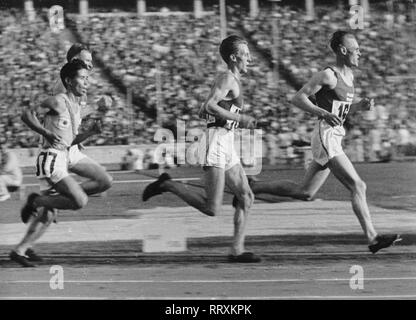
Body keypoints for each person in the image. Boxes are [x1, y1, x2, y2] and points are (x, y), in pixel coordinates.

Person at [243, 30, 400, 254]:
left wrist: (359, 106)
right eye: (356, 50)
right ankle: (373, 238)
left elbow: (340, 110)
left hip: (333, 136)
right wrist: (322, 113)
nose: (360, 53)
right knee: (358, 185)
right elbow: (298, 98)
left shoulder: (350, 78)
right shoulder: (328, 75)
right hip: (326, 135)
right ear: (343, 51)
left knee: (305, 192)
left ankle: (254, 187)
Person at [142, 35, 260, 262]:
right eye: (246, 55)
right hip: (216, 142)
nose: (250, 59)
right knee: (211, 208)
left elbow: (201, 112)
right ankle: (168, 184)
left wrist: (230, 118)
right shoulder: (227, 78)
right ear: (234, 58)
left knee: (246, 196)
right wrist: (240, 117)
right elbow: (209, 106)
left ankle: (237, 250)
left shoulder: (230, 79)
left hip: (225, 141)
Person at [10, 59, 112, 267]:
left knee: (49, 214)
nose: (86, 83)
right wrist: (44, 131)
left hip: (60, 158)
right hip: (50, 160)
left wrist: (91, 132)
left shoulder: (74, 107)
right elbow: (26, 114)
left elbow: (69, 141)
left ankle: (20, 250)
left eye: (87, 78)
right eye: (82, 78)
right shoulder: (57, 101)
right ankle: (35, 201)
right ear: (69, 80)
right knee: (79, 201)